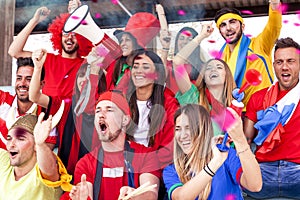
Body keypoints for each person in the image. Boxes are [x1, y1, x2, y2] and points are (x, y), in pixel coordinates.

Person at [60, 91, 161, 200]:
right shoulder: (85, 164)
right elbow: (85, 193)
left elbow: (151, 194)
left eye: (109, 110)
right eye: (98, 111)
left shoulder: (145, 156)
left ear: (125, 120)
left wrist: (136, 196)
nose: (101, 115)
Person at [29, 48, 107, 175]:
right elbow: (34, 97)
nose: (84, 80)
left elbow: (90, 100)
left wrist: (95, 67)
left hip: (96, 174)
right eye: (81, 75)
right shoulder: (65, 105)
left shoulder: (104, 108)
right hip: (66, 174)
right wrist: (38, 68)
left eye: (90, 76)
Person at [163, 104, 262, 200]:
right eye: (178, 129)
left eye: (189, 128)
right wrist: (215, 162)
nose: (182, 135)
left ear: (204, 130)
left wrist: (240, 140)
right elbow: (181, 198)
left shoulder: (226, 154)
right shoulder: (172, 169)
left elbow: (255, 185)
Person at [244, 37, 300, 199]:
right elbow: (246, 141)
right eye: (279, 62)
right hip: (263, 173)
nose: (285, 67)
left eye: (291, 61)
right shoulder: (258, 97)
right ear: (273, 65)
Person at [8, 1, 93, 98]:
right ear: (59, 36)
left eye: (74, 35)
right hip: (48, 112)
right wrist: (34, 21)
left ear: (82, 38)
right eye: (65, 34)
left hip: (73, 112)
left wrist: (81, 16)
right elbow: (14, 51)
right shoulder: (47, 59)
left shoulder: (86, 65)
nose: (69, 37)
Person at [214, 0, 282, 107]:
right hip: (233, 115)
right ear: (220, 31)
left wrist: (274, 4)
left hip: (262, 112)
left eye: (232, 22)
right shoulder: (219, 60)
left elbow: (273, 27)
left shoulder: (259, 45)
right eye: (223, 25)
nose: (228, 28)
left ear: (242, 26)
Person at [125, 50, 179, 168]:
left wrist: (143, 161)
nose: (139, 71)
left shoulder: (170, 105)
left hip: (153, 167)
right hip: (123, 164)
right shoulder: (122, 101)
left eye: (145, 67)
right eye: (135, 66)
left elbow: (168, 150)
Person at [0, 112, 72, 199]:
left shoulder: (44, 169)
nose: (11, 144)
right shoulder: (4, 160)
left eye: (21, 139)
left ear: (35, 145)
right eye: (9, 138)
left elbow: (49, 170)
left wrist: (40, 143)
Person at [0, 57, 57, 150]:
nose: (22, 83)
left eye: (29, 79)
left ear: (41, 84)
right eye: (19, 78)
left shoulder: (47, 115)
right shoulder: (3, 99)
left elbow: (44, 154)